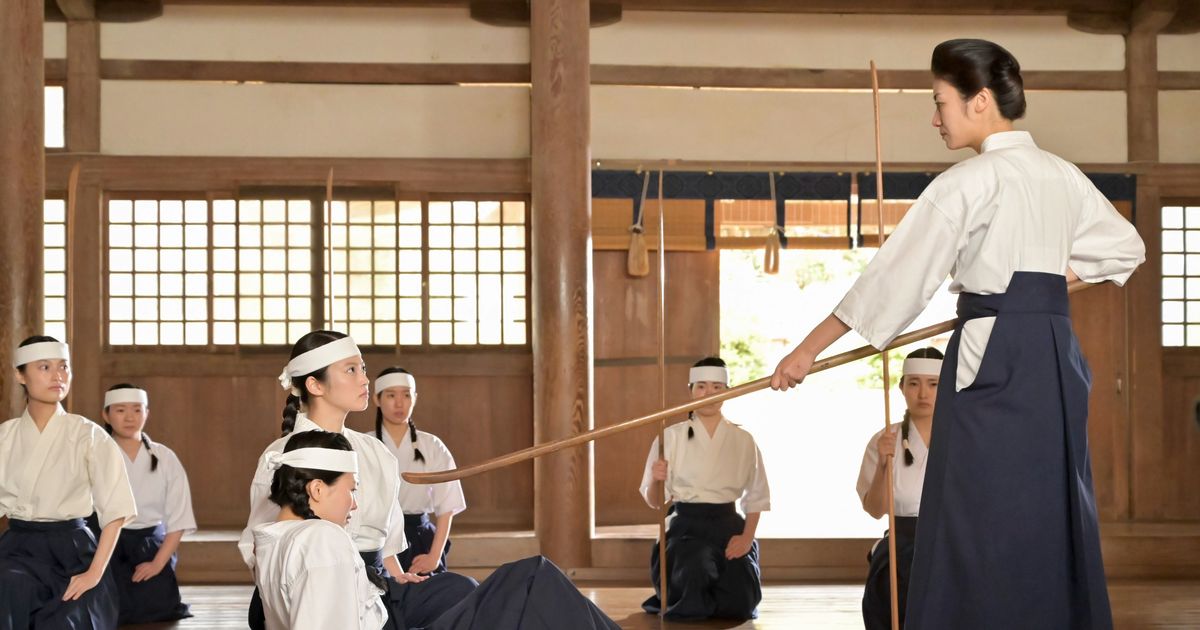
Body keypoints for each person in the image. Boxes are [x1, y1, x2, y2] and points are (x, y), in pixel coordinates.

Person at [771, 39, 1145, 629]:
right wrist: (1041, 287)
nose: (935, 117)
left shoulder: (968, 181)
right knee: (1049, 502)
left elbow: (892, 281)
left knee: (976, 509)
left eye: (940, 101)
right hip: (1053, 353)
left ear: (980, 101)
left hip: (993, 353)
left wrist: (806, 351)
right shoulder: (1063, 175)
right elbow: (1126, 248)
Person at [256, 430, 621, 630]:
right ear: (317, 489)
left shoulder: (272, 538)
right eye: (351, 490)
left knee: (510, 588)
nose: (354, 504)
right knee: (532, 578)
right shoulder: (322, 539)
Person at [242, 331, 477, 630]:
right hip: (311, 591)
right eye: (351, 370)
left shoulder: (377, 452)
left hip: (376, 584)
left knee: (462, 591)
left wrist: (398, 577)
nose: (365, 379)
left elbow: (385, 545)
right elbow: (262, 548)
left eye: (363, 368)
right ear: (314, 385)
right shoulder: (283, 456)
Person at [0, 336, 137, 629]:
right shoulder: (5, 437)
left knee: (69, 620)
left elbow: (116, 511)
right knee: (10, 589)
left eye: (64, 367)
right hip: (18, 550)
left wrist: (94, 574)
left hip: (75, 552)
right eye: (45, 367)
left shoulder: (90, 435)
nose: (58, 376)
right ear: (20, 375)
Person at [639, 356, 770, 621]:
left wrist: (746, 538)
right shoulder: (670, 437)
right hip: (686, 527)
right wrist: (656, 479)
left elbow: (757, 495)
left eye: (716, 387)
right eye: (701, 386)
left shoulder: (743, 439)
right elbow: (655, 501)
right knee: (695, 565)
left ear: (728, 391)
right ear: (690, 391)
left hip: (729, 524)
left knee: (741, 598)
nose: (709, 393)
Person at [90, 383, 196, 624]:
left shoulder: (164, 457)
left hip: (150, 544)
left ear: (147, 413)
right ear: (106, 414)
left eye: (137, 410)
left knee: (155, 606)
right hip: (104, 543)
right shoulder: (95, 455)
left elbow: (179, 518)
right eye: (120, 410)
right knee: (108, 608)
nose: (130, 417)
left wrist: (158, 563)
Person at [856, 348, 942, 630]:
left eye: (934, 384)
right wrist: (883, 464)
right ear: (902, 387)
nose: (923, 394)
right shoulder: (884, 439)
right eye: (914, 383)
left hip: (948, 540)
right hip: (900, 540)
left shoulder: (963, 437)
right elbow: (875, 510)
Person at [373, 367, 465, 575]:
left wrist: (434, 556)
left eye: (406, 395)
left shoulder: (432, 445)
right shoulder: (366, 444)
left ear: (415, 398)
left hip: (420, 539)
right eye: (391, 395)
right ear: (377, 399)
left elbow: (447, 505)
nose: (399, 403)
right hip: (377, 537)